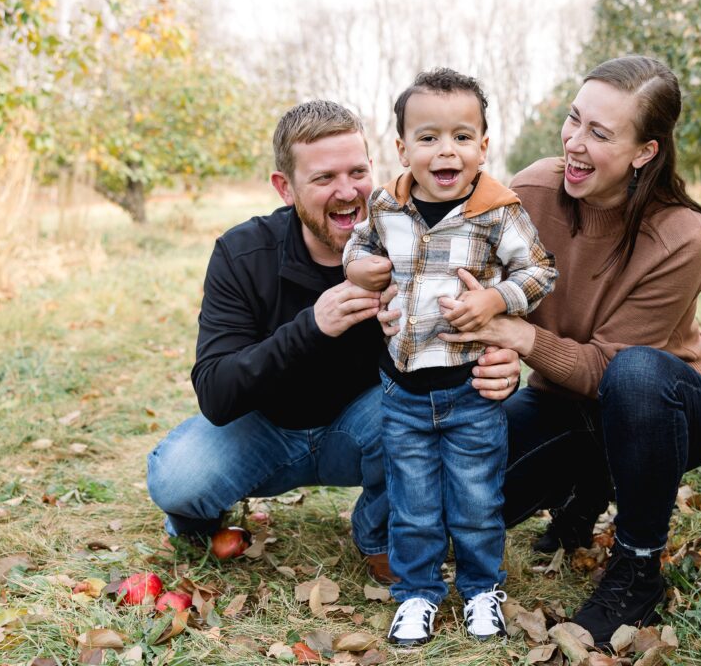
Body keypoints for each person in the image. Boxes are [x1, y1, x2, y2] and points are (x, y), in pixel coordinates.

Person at [145, 100, 520, 585]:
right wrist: (311, 327)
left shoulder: (416, 244)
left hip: (368, 426)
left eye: (357, 171)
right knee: (179, 478)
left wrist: (499, 369)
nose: (348, 192)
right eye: (324, 179)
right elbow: (216, 392)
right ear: (286, 188)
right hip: (264, 428)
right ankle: (200, 521)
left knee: (430, 412)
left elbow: (468, 347)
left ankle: (379, 534)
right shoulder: (242, 253)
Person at [433, 55, 701, 647]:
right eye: (574, 120)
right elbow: (480, 291)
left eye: (600, 133)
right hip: (564, 404)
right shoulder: (533, 192)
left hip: (665, 408)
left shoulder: (678, 235)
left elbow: (607, 367)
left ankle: (637, 568)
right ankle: (583, 490)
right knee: (443, 513)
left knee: (637, 376)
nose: (574, 143)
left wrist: (519, 338)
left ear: (645, 151)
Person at [343, 69, 557, 646]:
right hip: (403, 392)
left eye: (463, 137)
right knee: (412, 504)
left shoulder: (498, 212)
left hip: (471, 392)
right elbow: (359, 247)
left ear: (484, 146)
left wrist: (497, 297)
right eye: (429, 137)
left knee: (476, 500)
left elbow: (540, 270)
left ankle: (483, 588)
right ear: (403, 148)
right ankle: (416, 594)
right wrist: (358, 268)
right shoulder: (387, 206)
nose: (447, 150)